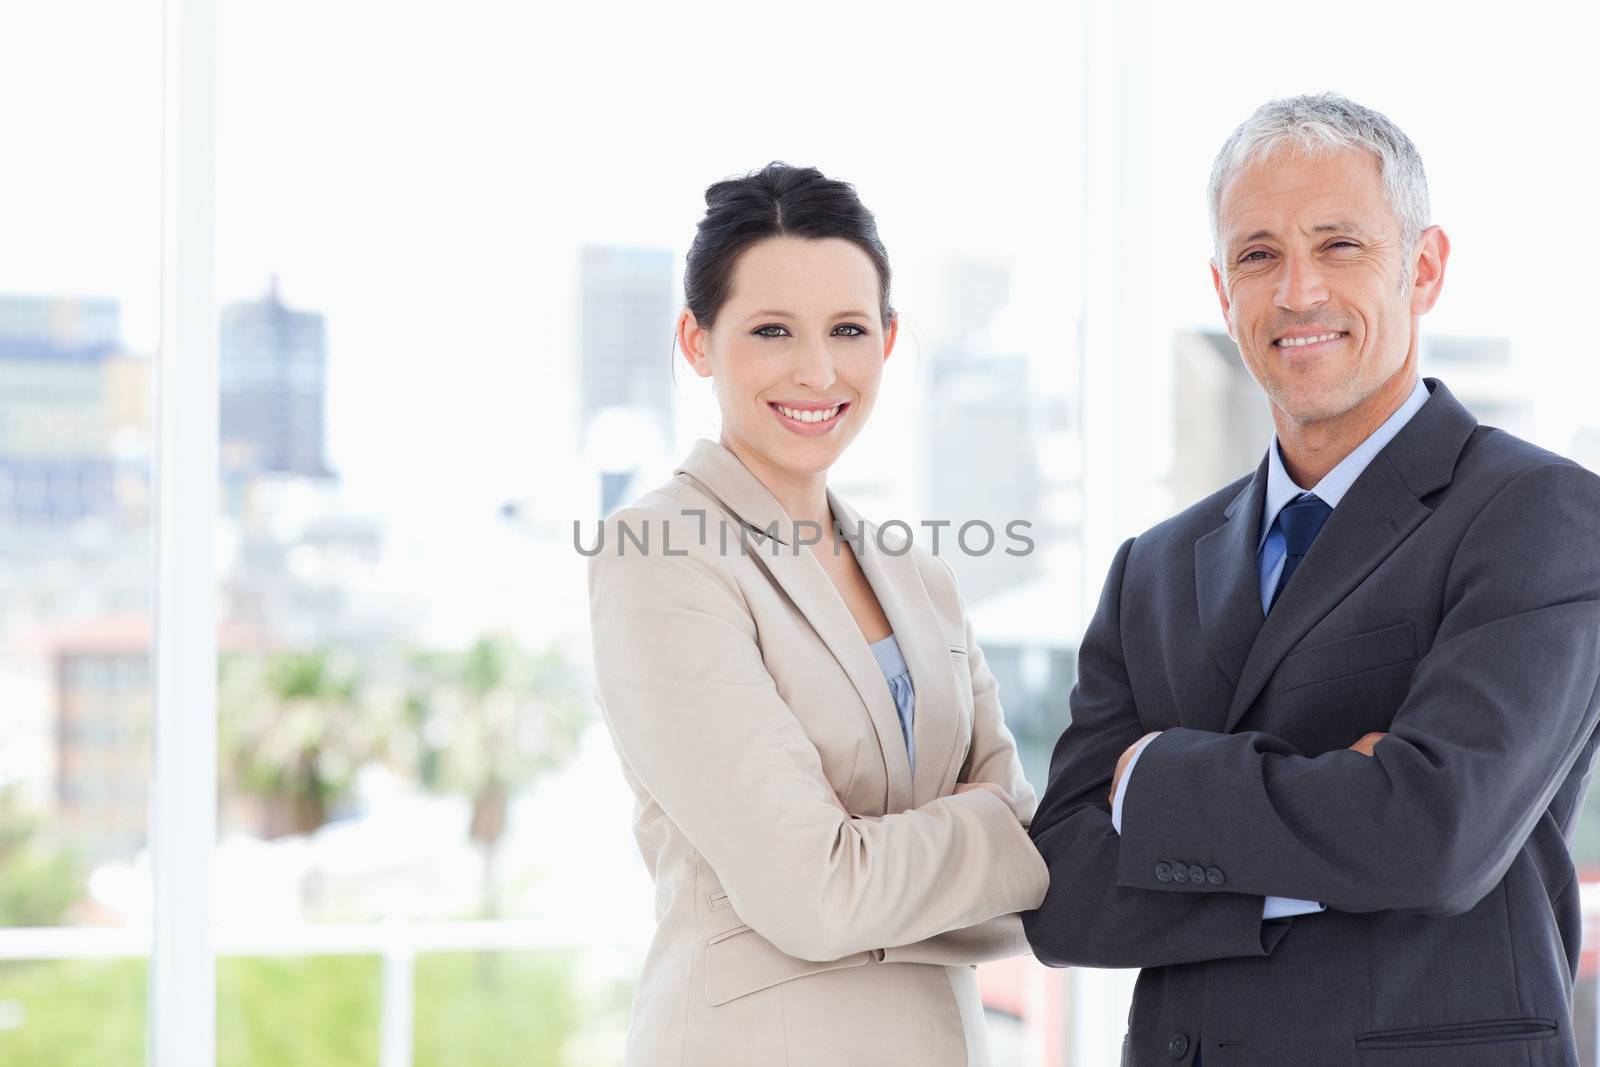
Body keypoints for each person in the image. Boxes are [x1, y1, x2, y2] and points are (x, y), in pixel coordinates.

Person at [1023, 93, 1600, 1066]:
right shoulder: (1154, 569)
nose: (1296, 292)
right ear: (1221, 290)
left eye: (1338, 246)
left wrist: (1159, 786)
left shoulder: (1537, 515)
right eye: (1257, 255)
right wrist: (1343, 817)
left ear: (1422, 267)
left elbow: (1431, 834)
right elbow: (1065, 889)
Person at [587, 162, 1047, 1067]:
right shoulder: (660, 554)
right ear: (697, 341)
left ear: (889, 338)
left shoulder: (921, 577)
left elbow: (1030, 890)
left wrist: (888, 873)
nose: (817, 369)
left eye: (847, 329)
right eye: (770, 330)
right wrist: (983, 835)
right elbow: (814, 892)